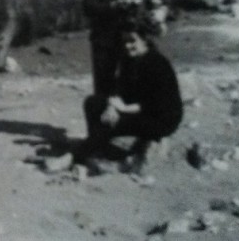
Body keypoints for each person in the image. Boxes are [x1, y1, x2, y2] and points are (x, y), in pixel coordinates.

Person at [77, 27, 183, 172]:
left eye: (133, 41)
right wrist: (112, 106)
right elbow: (118, 87)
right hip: (137, 110)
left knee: (109, 123)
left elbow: (156, 105)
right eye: (125, 41)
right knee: (93, 103)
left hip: (161, 118)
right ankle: (97, 148)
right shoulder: (128, 60)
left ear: (145, 40)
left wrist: (123, 109)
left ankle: (93, 154)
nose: (128, 46)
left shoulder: (158, 64)